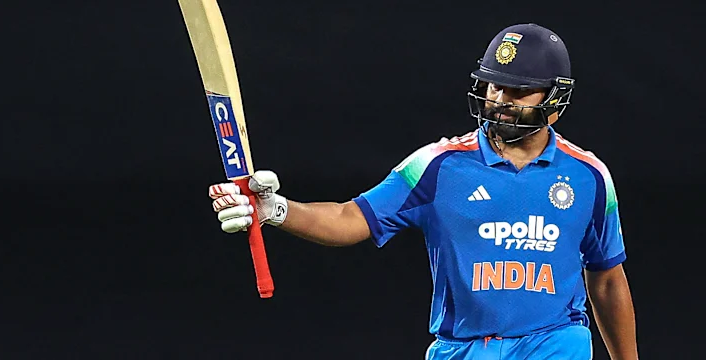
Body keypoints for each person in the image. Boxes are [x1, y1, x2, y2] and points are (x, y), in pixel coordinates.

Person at [208, 23, 638, 360]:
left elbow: (606, 280)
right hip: (463, 349)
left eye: (519, 91)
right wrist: (276, 209)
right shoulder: (437, 166)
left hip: (554, 344)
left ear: (555, 100)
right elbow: (349, 217)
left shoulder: (589, 176)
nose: (500, 100)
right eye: (494, 86)